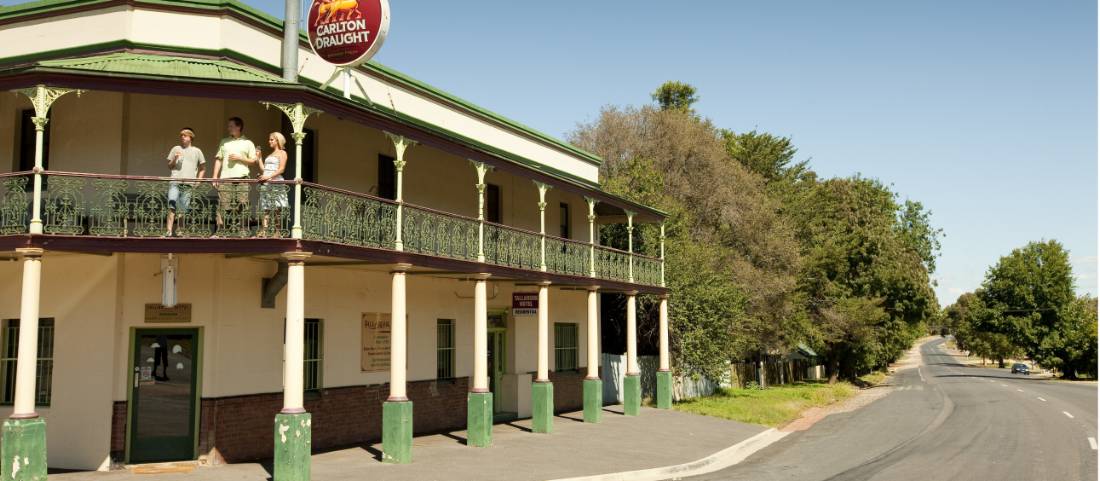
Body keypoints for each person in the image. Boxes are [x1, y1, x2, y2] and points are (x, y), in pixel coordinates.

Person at [211, 117, 259, 234]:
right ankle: (221, 231)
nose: (229, 128)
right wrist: (214, 176)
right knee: (223, 204)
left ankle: (243, 230)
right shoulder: (224, 141)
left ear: (239, 127)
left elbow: (254, 161)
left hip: (242, 178)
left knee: (243, 203)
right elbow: (219, 159)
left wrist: (240, 158)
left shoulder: (248, 143)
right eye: (229, 126)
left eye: (231, 126)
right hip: (225, 178)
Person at [165, 128, 205, 237]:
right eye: (181, 135)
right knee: (172, 205)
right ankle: (168, 230)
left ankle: (180, 230)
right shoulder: (176, 148)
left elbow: (202, 168)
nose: (182, 137)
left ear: (191, 137)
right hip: (175, 181)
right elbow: (169, 166)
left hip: (188, 184)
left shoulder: (197, 151)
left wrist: (199, 181)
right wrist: (175, 158)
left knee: (183, 208)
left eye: (185, 135)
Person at [257, 132, 289, 237]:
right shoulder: (270, 155)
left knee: (276, 208)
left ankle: (277, 231)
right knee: (265, 207)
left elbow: (281, 169)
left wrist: (269, 177)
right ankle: (264, 230)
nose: (269, 141)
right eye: (269, 139)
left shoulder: (282, 153)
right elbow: (264, 169)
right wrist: (260, 157)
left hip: (276, 182)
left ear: (277, 141)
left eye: (271, 139)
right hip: (266, 183)